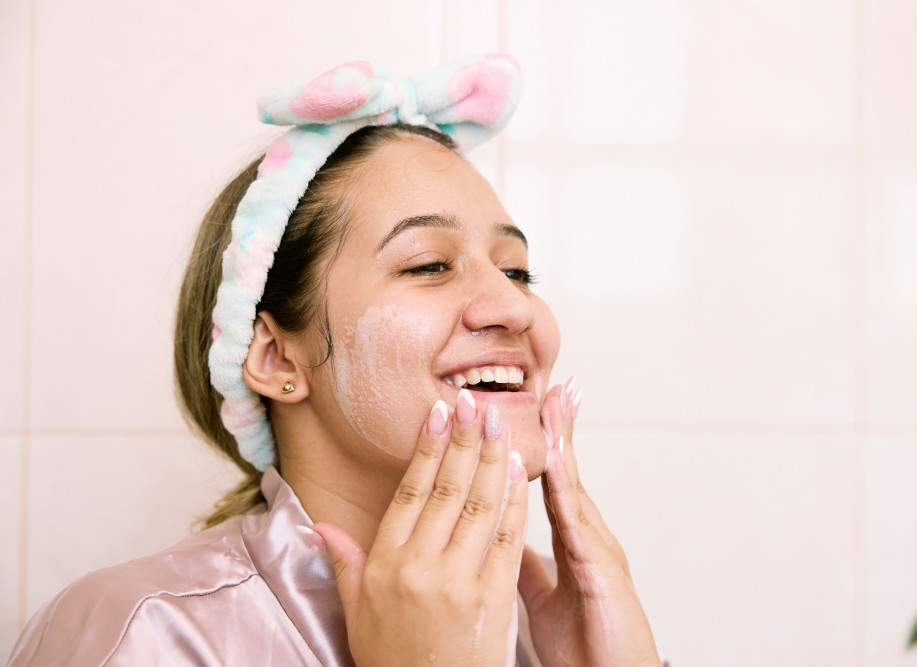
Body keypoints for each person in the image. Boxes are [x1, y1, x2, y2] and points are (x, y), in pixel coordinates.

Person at [8, 55, 661, 666]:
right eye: (429, 264)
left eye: (517, 271)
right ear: (276, 357)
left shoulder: (538, 633)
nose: (515, 308)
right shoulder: (139, 633)